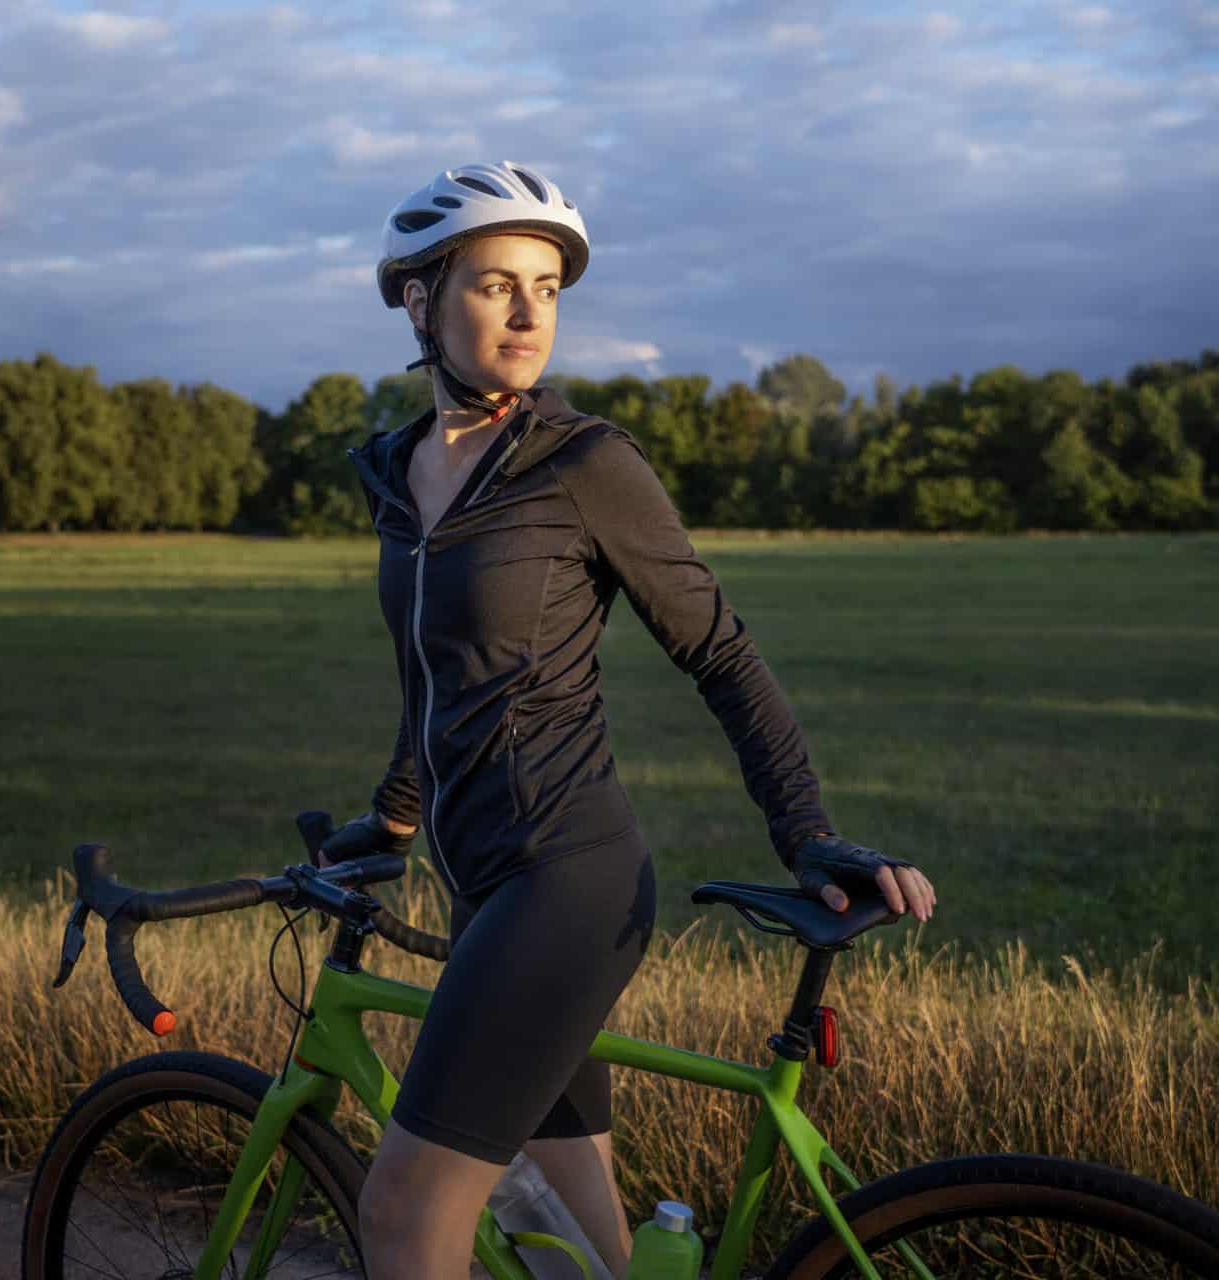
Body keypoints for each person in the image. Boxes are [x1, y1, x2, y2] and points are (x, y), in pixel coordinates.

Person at [315, 161, 937, 1280]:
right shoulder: (401, 476)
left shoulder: (585, 464)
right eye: (497, 283)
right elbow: (438, 672)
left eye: (547, 288)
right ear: (419, 300)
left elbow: (720, 651)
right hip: (482, 885)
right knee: (569, 1245)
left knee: (406, 1211)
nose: (526, 314)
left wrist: (806, 831)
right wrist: (395, 819)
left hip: (564, 879)